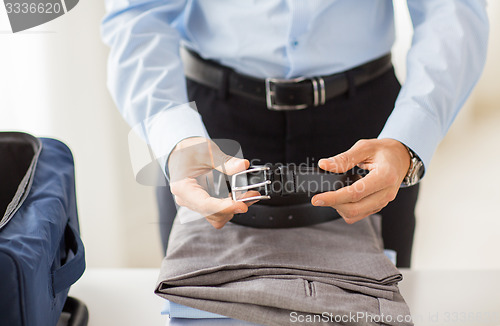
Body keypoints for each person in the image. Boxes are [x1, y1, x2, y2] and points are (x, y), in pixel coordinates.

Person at [101, 0, 489, 267]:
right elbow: (137, 12)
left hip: (368, 131)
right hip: (207, 133)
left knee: (370, 307)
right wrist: (175, 135)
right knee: (204, 306)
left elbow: (451, 10)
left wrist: (409, 136)